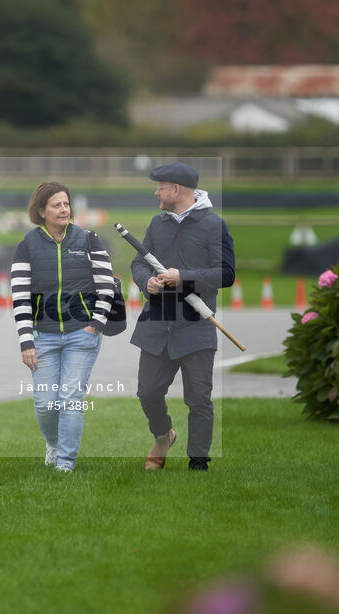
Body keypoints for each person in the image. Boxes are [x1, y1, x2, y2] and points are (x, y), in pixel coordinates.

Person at [130, 163, 236, 471]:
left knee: (198, 398)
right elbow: (139, 263)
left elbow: (226, 273)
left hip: (196, 328)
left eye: (160, 187)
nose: (156, 192)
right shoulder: (156, 223)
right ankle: (163, 436)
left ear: (176, 190)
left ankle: (198, 461)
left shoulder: (214, 225)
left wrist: (184, 277)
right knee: (147, 392)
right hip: (156, 325)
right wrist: (144, 281)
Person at [10, 181, 115, 472]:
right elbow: (20, 299)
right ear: (41, 211)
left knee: (70, 397)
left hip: (82, 334)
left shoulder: (89, 240)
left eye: (66, 203)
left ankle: (65, 463)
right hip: (41, 336)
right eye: (56, 204)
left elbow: (106, 287)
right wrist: (26, 342)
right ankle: (53, 444)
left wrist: (95, 324)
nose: (63, 209)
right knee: (45, 403)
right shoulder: (27, 246)